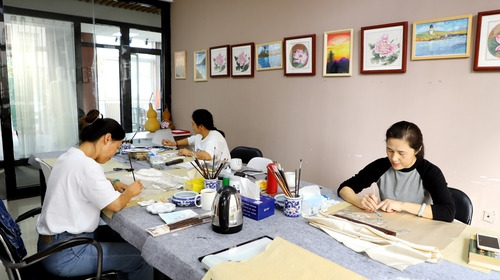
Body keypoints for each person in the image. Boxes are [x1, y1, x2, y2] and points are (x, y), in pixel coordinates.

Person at [36, 110, 154, 279]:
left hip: (52, 244)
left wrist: (111, 182)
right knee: (143, 258)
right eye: (117, 147)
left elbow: (82, 180)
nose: (114, 153)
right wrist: (130, 192)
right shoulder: (88, 167)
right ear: (107, 138)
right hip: (67, 254)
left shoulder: (70, 156)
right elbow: (116, 205)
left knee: (126, 237)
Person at [338, 121, 456, 222]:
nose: (394, 158)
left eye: (401, 153)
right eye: (389, 150)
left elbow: (448, 212)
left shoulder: (429, 172)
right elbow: (344, 188)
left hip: (418, 230)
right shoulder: (381, 166)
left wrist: (401, 205)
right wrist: (360, 202)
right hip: (387, 226)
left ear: (417, 149)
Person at [162, 108, 231, 161]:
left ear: (201, 126)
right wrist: (173, 143)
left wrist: (190, 153)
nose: (192, 126)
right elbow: (190, 140)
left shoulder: (215, 137)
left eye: (193, 124)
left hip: (220, 174)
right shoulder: (200, 135)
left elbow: (207, 155)